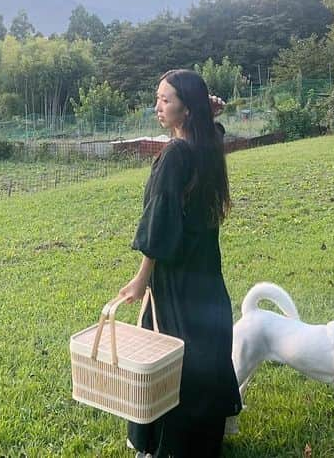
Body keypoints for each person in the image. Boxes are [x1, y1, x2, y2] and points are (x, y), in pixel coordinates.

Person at [118, 70, 242, 458]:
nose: (157, 107)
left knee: (167, 358)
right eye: (157, 99)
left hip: (177, 278)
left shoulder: (174, 155)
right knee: (205, 353)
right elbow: (214, 129)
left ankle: (161, 446)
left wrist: (141, 279)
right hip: (206, 275)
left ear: (186, 109)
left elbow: (160, 222)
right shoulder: (209, 146)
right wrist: (204, 111)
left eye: (166, 100)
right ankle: (201, 442)